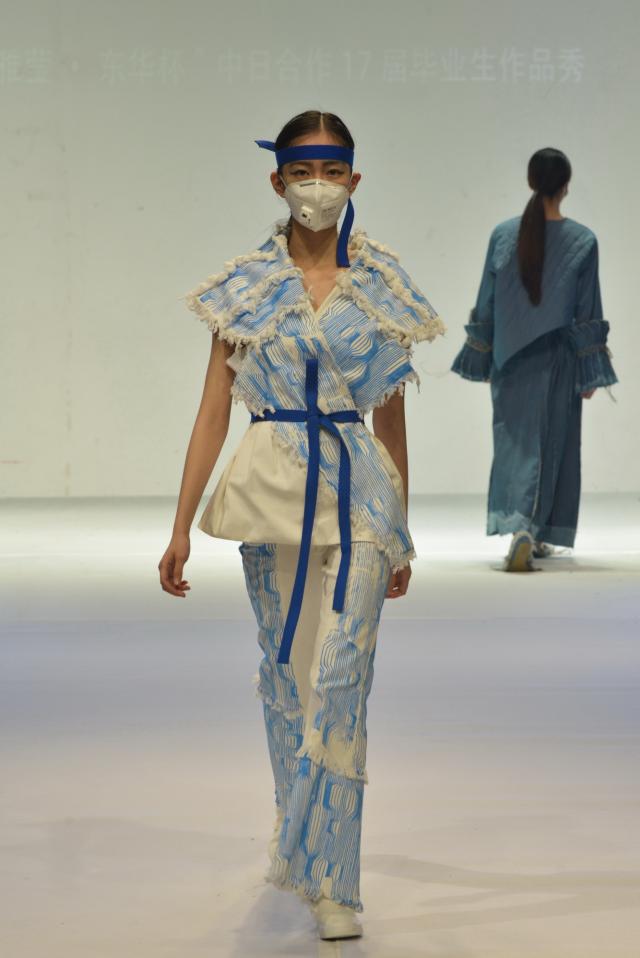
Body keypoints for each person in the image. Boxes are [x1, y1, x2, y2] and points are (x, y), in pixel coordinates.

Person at [158, 110, 445, 940]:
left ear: (354, 178)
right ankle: (304, 842)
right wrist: (180, 525)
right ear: (277, 179)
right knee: (290, 675)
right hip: (272, 487)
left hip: (359, 495)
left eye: (331, 170)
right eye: (301, 170)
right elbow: (213, 409)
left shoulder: (383, 285)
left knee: (343, 680)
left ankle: (335, 884)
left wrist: (401, 525)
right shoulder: (246, 288)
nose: (317, 185)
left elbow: (391, 419)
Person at [451, 147, 618, 571]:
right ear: (566, 186)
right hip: (558, 358)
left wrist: (484, 356)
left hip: (508, 358)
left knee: (514, 444)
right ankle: (534, 529)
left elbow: (486, 302)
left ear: (530, 181)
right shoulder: (582, 241)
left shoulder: (503, 234)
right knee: (554, 443)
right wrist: (590, 371)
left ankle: (521, 527)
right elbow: (587, 309)